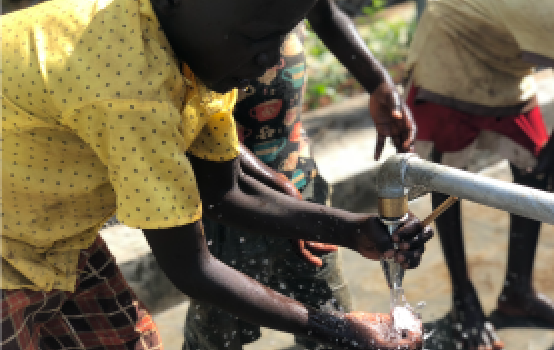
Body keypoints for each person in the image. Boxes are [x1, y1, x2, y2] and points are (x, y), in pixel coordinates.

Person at [1, 0, 432, 350]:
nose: (267, 62)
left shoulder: (192, 58)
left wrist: (356, 231)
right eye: (253, 39)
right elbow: (191, 268)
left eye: (279, 40)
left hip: (52, 236)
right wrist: (340, 330)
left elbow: (223, 193)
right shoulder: (130, 92)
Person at [181, 1, 416, 350]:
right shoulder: (198, 18)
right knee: (217, 333)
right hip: (225, 200)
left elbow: (324, 13)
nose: (273, 57)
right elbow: (193, 112)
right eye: (263, 37)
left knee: (335, 320)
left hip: (301, 183)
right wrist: (273, 184)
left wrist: (378, 82)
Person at [402, 0, 554, 349]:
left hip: (507, 60)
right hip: (452, 45)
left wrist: (553, 148)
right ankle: (464, 302)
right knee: (449, 178)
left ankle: (517, 293)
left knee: (536, 170)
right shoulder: (552, 11)